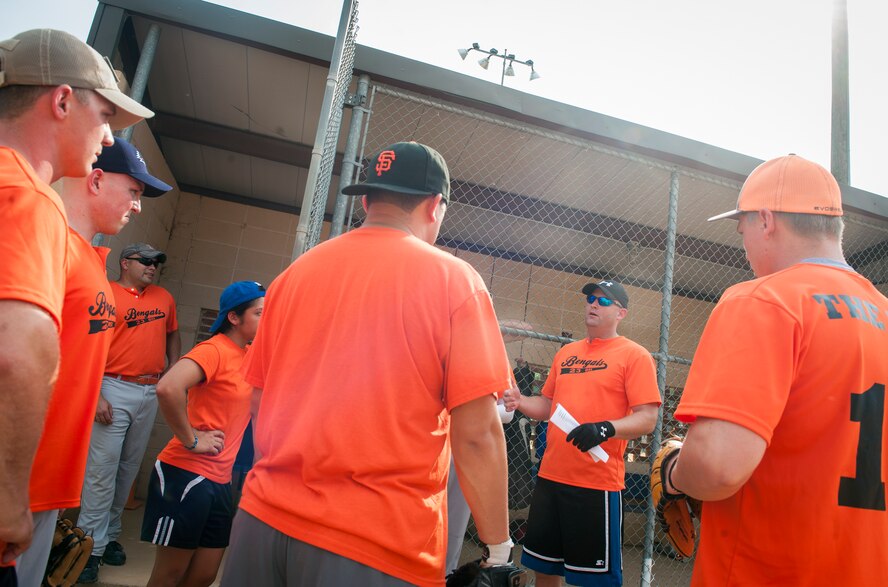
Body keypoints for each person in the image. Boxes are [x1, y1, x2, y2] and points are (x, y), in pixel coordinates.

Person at [220, 142, 514, 587]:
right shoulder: (456, 281)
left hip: (262, 519)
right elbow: (476, 434)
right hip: (374, 540)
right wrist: (498, 548)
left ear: (365, 200)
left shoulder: (293, 276)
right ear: (436, 206)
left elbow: (260, 401)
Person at [661, 154, 888, 585]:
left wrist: (674, 470)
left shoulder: (763, 300)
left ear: (766, 219)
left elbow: (716, 468)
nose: (742, 239)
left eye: (741, 224)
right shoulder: (884, 312)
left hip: (769, 571)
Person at [0, 28, 152, 586]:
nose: (106, 133)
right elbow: (15, 352)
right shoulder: (26, 196)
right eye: (105, 114)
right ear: (62, 101)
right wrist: (10, 491)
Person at [14, 138, 172, 587]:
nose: (138, 206)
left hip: (50, 482)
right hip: (23, 481)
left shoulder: (91, 260)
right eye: (135, 192)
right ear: (97, 180)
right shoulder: (49, 239)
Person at [504, 281, 660, 587]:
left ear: (621, 313)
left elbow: (648, 418)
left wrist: (606, 428)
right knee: (544, 569)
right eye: (590, 298)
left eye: (604, 301)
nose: (593, 304)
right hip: (550, 479)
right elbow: (547, 405)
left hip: (594, 484)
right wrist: (520, 401)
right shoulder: (568, 354)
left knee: (594, 580)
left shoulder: (634, 355)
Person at [143, 281, 265, 587]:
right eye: (259, 313)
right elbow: (168, 387)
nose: (266, 320)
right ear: (234, 318)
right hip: (186, 474)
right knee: (170, 575)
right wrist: (192, 439)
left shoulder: (249, 354)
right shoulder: (214, 349)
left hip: (220, 481)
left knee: (203, 576)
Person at [77, 243, 180, 584]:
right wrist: (96, 393)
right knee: (101, 470)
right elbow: (87, 344)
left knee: (128, 469)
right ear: (125, 263)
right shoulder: (106, 292)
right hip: (112, 386)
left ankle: (109, 535)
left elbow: (173, 334)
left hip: (149, 390)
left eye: (157, 262)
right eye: (146, 261)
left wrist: (172, 368)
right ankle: (87, 548)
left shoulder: (163, 297)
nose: (153, 266)